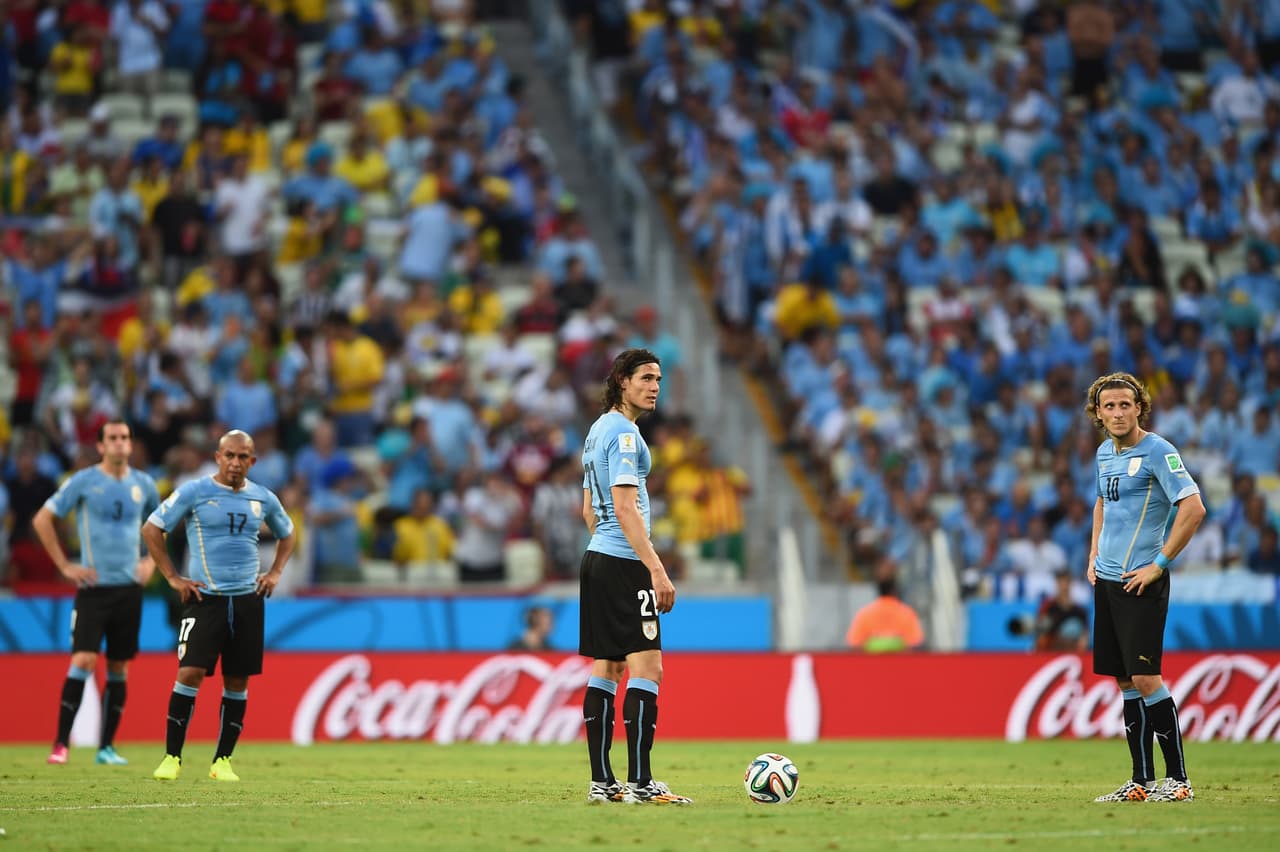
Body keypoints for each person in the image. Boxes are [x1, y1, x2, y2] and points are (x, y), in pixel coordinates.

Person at [142, 430, 295, 782]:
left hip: (247, 600)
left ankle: (222, 760)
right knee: (189, 672)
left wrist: (275, 573)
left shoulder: (263, 498)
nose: (235, 463)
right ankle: (172, 757)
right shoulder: (195, 492)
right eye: (229, 455)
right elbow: (152, 529)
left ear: (252, 461)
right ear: (217, 457)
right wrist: (172, 577)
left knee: (237, 680)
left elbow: (288, 534)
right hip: (204, 598)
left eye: (243, 457)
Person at [1086, 372, 1206, 803]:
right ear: (1098, 413)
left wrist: (1159, 564)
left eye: (1125, 405)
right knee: (1124, 680)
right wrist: (1093, 554)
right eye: (1109, 406)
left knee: (1145, 675)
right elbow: (1102, 501)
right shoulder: (1104, 454)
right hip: (1109, 579)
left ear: (1140, 407)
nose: (1118, 413)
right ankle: (1141, 781)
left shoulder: (1159, 451)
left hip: (1141, 580)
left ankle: (1179, 781)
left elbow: (1193, 508)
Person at [579, 349, 690, 805]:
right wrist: (655, 569)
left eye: (659, 379)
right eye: (645, 377)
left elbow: (590, 510)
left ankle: (603, 783)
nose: (654, 387)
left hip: (597, 560)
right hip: (625, 564)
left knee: (608, 666)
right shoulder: (625, 436)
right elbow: (624, 508)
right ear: (622, 381)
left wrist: (608, 548)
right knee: (649, 668)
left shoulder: (595, 430)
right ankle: (642, 783)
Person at [33, 421, 161, 766]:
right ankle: (61, 744)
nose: (120, 444)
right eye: (113, 439)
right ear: (101, 446)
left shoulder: (144, 485)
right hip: (93, 589)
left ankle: (106, 747)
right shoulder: (84, 481)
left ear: (131, 445)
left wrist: (151, 562)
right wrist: (64, 565)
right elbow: (42, 519)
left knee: (119, 667)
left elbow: (159, 528)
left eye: (125, 438)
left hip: (129, 590)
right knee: (84, 660)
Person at [844, 564, 924, 653]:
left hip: (870, 666)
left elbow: (855, 646)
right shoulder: (907, 614)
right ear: (895, 589)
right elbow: (914, 646)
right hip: (900, 666)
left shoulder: (864, 614)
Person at [1034, 571, 1090, 652]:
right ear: (1057, 584)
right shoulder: (1048, 608)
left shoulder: (1079, 611)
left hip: (1072, 654)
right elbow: (1040, 636)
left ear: (1070, 584)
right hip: (1051, 653)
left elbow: (1084, 637)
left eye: (1066, 582)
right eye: (1060, 583)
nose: (1063, 586)